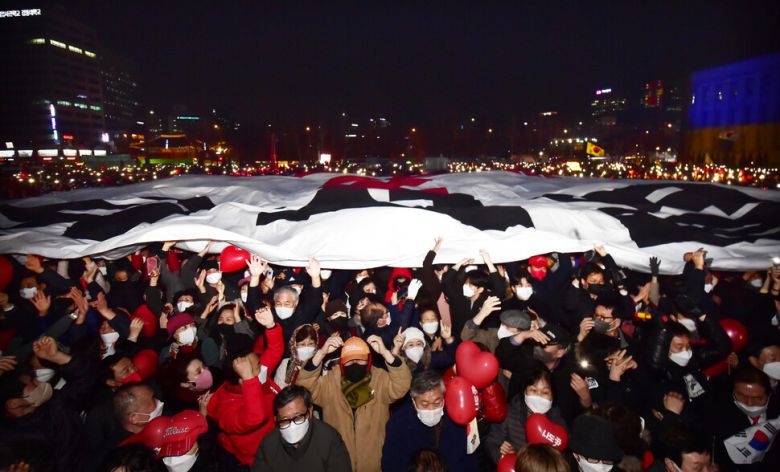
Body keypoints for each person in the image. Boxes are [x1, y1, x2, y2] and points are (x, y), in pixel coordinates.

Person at [296, 334, 412, 472]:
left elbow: (402, 385)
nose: (355, 363)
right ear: (342, 362)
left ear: (368, 360)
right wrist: (321, 353)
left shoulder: (380, 380)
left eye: (360, 359)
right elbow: (304, 388)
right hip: (338, 465)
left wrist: (385, 353)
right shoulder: (330, 382)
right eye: (349, 360)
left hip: (375, 465)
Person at [0, 336, 97, 471]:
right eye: (33, 384)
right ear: (13, 404)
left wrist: (57, 357)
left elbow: (87, 379)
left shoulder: (57, 403)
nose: (40, 384)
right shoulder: (8, 440)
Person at [206, 306, 283, 468]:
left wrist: (271, 327)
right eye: (256, 368)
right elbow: (255, 417)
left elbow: (275, 351)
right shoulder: (226, 407)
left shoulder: (257, 371)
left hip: (281, 445)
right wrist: (250, 379)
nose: (262, 368)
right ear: (243, 380)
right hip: (260, 462)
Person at [382, 370, 478, 471]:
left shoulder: (457, 417)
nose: (431, 409)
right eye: (424, 404)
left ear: (443, 396)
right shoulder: (398, 424)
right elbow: (390, 465)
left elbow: (469, 459)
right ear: (413, 400)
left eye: (437, 402)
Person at [253, 385, 351, 471]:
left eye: (298, 417)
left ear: (310, 411)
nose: (292, 425)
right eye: (285, 420)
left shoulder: (329, 439)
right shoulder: (268, 445)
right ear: (276, 419)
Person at [485, 368, 567, 465]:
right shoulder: (509, 413)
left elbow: (564, 455)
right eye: (533, 390)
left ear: (553, 395)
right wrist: (501, 453)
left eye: (545, 392)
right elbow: (491, 443)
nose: (539, 396)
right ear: (524, 392)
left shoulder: (557, 421)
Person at [710, 365, 780, 470]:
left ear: (769, 394)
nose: (749, 403)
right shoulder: (719, 418)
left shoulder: (777, 413)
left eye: (757, 398)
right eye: (741, 396)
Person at [273, 324, 318, 389]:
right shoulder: (286, 363)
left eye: (310, 344)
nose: (307, 348)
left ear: (316, 345)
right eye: (302, 344)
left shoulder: (319, 365)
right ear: (294, 345)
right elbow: (278, 389)